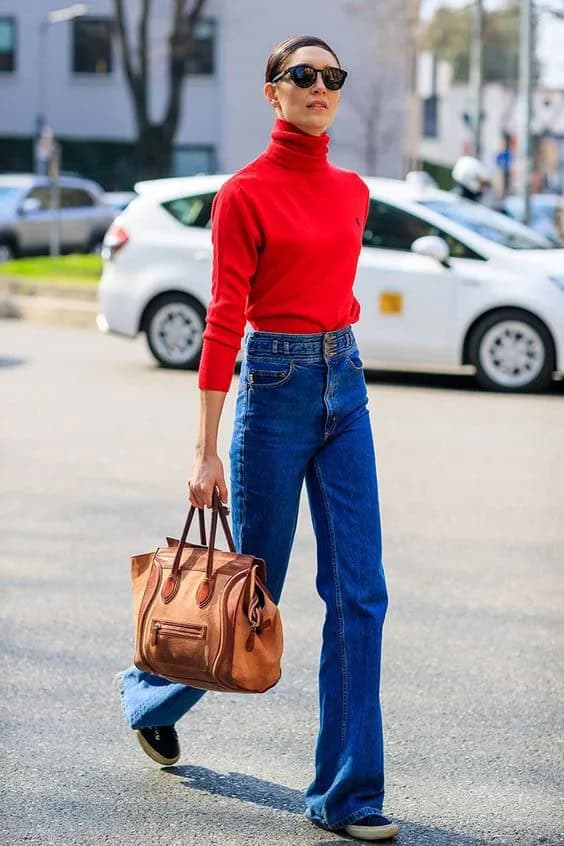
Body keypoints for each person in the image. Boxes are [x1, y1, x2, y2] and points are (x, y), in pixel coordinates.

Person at [116, 34, 398, 842]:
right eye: (301, 75)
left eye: (331, 77)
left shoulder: (351, 191)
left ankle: (347, 795)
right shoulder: (242, 195)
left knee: (361, 593)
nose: (319, 87)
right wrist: (205, 449)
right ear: (273, 94)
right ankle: (152, 692)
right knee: (247, 590)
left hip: (345, 387)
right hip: (270, 391)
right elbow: (224, 322)